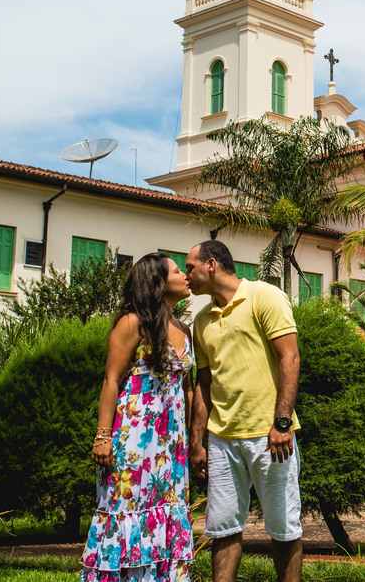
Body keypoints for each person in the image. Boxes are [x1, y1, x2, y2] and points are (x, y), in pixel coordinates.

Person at [185, 240, 302, 582]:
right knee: (221, 529)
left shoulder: (264, 296)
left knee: (284, 527)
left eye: (190, 267)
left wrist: (281, 423)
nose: (186, 275)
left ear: (211, 264)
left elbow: (289, 358)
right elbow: (203, 384)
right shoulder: (202, 320)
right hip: (223, 439)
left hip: (271, 437)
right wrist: (197, 441)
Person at [82, 254, 195, 582]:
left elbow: (185, 389)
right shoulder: (132, 323)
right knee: (127, 511)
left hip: (170, 446)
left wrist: (188, 440)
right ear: (159, 282)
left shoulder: (182, 328)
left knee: (167, 514)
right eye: (177, 271)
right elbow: (111, 380)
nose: (185, 275)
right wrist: (103, 437)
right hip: (134, 439)